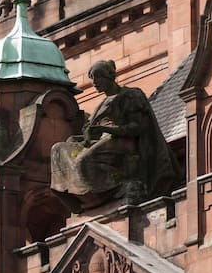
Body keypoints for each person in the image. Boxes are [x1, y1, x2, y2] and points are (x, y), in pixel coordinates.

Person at [51, 60, 181, 212]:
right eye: (92, 78)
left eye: (98, 76)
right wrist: (81, 137)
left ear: (110, 76)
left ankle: (118, 187)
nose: (94, 82)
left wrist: (110, 129)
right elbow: (92, 133)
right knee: (58, 149)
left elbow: (137, 127)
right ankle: (80, 200)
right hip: (103, 141)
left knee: (83, 161)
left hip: (123, 142)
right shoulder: (101, 104)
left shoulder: (130, 95)